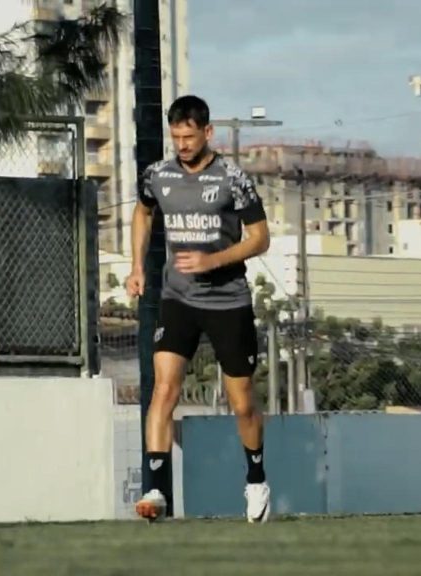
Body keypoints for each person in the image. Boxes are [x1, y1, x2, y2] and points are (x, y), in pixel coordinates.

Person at [125, 95, 271, 523]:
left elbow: (260, 238)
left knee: (241, 401)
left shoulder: (233, 179)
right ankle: (154, 491)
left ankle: (257, 479)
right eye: (176, 138)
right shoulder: (157, 175)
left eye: (189, 137)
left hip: (228, 300)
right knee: (164, 389)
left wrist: (212, 261)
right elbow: (142, 212)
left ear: (208, 133)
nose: (182, 145)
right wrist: (137, 266)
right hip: (178, 298)